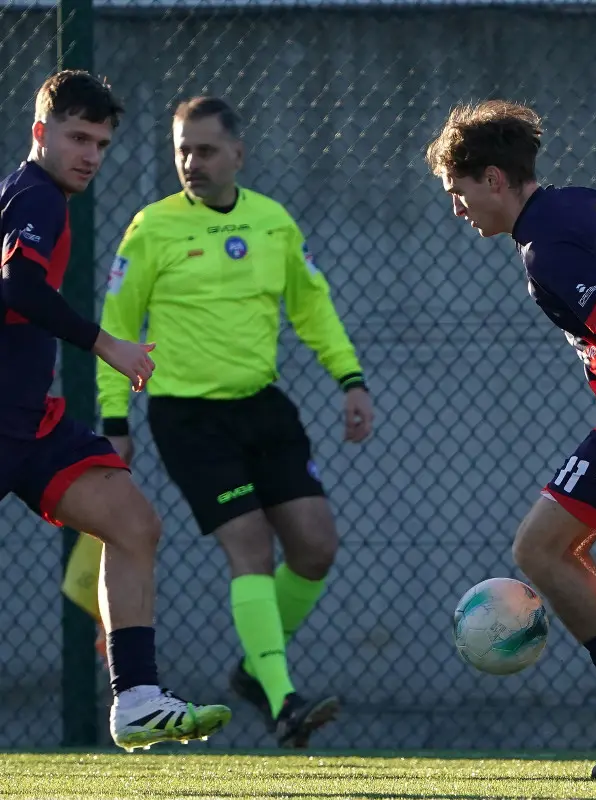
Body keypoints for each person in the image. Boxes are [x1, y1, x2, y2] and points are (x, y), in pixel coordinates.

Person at [97, 96, 374, 748]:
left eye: (206, 149)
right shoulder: (151, 228)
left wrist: (351, 379)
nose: (191, 162)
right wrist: (115, 416)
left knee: (315, 547)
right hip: (187, 417)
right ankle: (283, 700)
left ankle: (254, 670)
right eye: (182, 150)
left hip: (262, 404)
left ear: (239, 156)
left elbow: (313, 309)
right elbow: (116, 329)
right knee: (249, 548)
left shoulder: (273, 223)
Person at [425, 100, 596, 778]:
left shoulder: (547, 249)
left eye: (460, 192)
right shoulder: (585, 204)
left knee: (540, 545)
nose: (458, 209)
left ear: (495, 179)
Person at [0, 69, 231, 751]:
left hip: (31, 426)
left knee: (133, 523)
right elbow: (20, 289)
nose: (90, 155)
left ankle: (136, 698)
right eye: (77, 138)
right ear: (40, 133)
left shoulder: (35, 195)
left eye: (101, 142)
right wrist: (108, 344)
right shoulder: (37, 198)